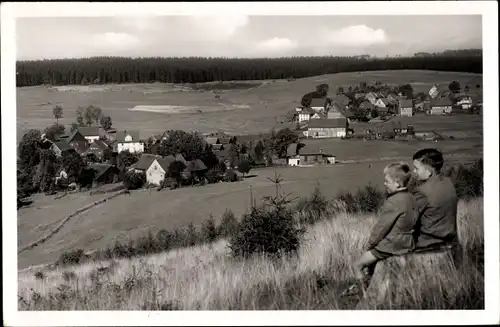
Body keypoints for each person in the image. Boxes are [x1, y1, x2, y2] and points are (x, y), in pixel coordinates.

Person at [345, 162, 418, 295]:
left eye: (387, 181)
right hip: (408, 243)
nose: (384, 184)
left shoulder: (393, 202)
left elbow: (381, 228)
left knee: (357, 265)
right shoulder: (411, 198)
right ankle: (373, 284)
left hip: (391, 245)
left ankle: (364, 293)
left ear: (397, 183)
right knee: (372, 266)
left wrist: (371, 244)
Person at [411, 148, 459, 260]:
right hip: (450, 242)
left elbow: (408, 221)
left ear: (429, 172)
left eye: (416, 168)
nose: (414, 171)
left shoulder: (422, 192)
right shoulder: (448, 183)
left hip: (427, 246)